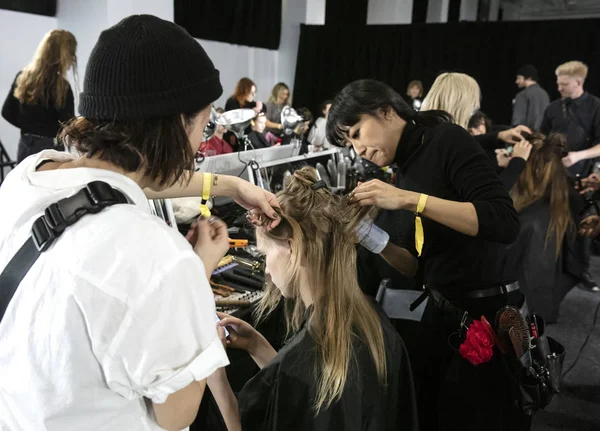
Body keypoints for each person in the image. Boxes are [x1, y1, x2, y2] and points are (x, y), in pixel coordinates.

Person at [0, 15, 280, 431]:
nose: (200, 144)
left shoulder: (28, 177)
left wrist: (231, 185)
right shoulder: (156, 256)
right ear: (175, 125)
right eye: (203, 128)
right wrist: (197, 269)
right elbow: (177, 413)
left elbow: (122, 182)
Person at [326, 79, 530, 431]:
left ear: (386, 111)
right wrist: (375, 240)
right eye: (349, 143)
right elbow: (417, 268)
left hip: (483, 317)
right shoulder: (404, 168)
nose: (357, 148)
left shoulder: (446, 141)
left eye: (357, 132)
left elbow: (503, 222)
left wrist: (408, 200)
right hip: (442, 317)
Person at [206, 166, 417, 431]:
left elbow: (292, 390)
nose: (268, 270)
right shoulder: (372, 320)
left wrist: (216, 379)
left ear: (293, 250)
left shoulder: (302, 362)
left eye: (265, 255)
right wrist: (256, 345)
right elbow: (298, 393)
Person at [503, 133, 584, 323]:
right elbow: (575, 268)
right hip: (539, 308)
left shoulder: (524, 218)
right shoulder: (562, 208)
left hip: (512, 313)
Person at [541, 61, 600, 292]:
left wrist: (577, 156)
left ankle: (580, 273)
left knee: (582, 228)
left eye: (564, 84)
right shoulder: (552, 108)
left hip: (584, 178)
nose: (559, 87)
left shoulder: (595, 106)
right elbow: (542, 139)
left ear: (579, 82)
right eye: (558, 83)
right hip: (552, 179)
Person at [2, 30, 77, 163]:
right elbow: (67, 124)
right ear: (66, 55)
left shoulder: (23, 77)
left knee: (24, 182)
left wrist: (29, 127)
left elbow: (7, 112)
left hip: (26, 143)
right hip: (50, 148)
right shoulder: (62, 86)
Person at [511, 65, 550, 130]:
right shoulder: (545, 94)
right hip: (542, 136)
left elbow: (518, 120)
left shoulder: (522, 95)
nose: (516, 81)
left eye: (519, 78)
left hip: (527, 136)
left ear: (529, 78)